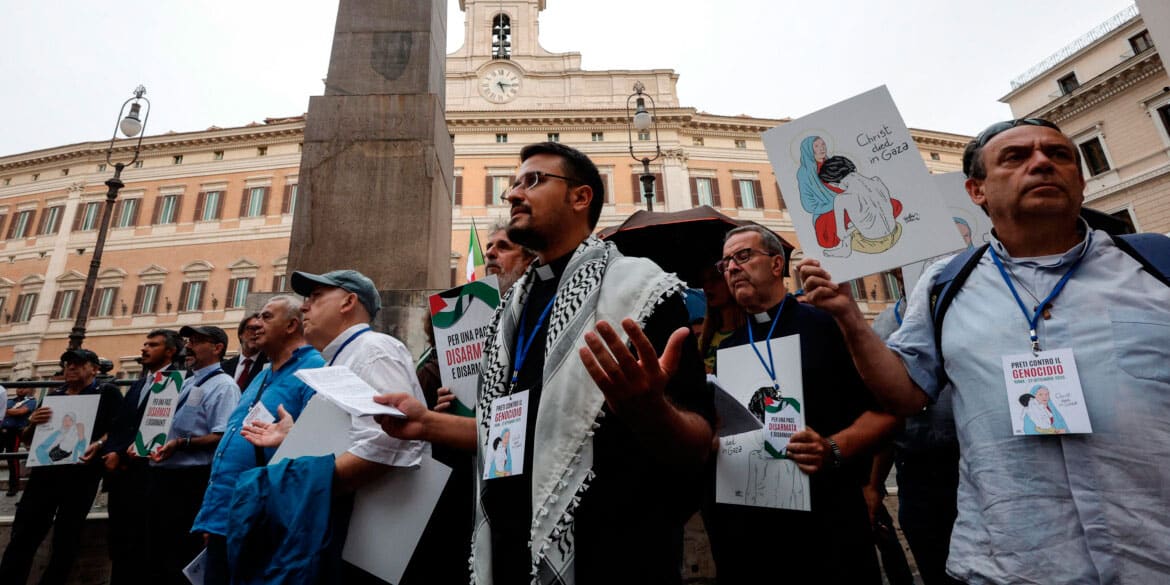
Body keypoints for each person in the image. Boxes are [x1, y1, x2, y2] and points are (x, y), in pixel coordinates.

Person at [799, 117, 1170, 583]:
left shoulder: (1156, 264)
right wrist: (849, 318)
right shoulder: (943, 283)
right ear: (977, 191)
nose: (1042, 163)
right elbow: (905, 394)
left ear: (1081, 181)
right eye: (1016, 157)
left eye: (1058, 155)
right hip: (1012, 564)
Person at [377, 141, 714, 584]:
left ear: (580, 197)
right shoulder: (509, 310)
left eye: (533, 181)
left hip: (609, 557)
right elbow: (511, 432)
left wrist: (651, 409)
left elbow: (700, 441)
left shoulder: (641, 292)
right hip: (511, 552)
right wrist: (424, 423)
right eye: (514, 184)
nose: (514, 193)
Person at [703, 224, 896, 584]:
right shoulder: (728, 348)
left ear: (777, 264)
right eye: (725, 263)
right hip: (756, 526)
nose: (731, 268)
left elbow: (889, 412)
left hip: (829, 517)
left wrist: (831, 447)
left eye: (743, 256)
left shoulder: (829, 325)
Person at [191, 295, 325, 585]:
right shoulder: (262, 376)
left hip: (263, 522)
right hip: (225, 518)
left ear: (291, 325)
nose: (256, 325)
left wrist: (293, 438)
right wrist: (214, 516)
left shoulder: (316, 370)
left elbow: (319, 451)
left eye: (266, 317)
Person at [0, 349, 122, 585]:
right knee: (24, 533)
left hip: (82, 475)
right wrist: (32, 423)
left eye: (78, 363)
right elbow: (27, 440)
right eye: (67, 364)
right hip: (44, 474)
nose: (71, 368)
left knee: (67, 535)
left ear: (94, 369)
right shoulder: (54, 395)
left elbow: (118, 429)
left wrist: (98, 444)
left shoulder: (108, 393)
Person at [143, 326, 239, 584]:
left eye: (196, 341)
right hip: (161, 476)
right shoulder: (184, 382)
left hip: (189, 481)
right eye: (189, 341)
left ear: (217, 348)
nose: (188, 346)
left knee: (180, 554)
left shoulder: (224, 386)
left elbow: (223, 436)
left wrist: (181, 443)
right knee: (156, 551)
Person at [86, 329, 182, 585]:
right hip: (120, 474)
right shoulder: (140, 383)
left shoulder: (173, 382)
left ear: (170, 351)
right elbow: (120, 424)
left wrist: (120, 455)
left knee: (138, 541)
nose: (144, 348)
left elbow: (152, 430)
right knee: (119, 541)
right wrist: (105, 447)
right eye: (145, 344)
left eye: (153, 345)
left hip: (143, 475)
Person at [3, 385, 38, 496]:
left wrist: (5, 411)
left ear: (29, 389)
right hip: (4, 430)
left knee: (12, 458)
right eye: (18, 387)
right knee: (8, 458)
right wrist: (9, 411)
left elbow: (21, 412)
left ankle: (14, 486)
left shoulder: (31, 401)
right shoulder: (10, 400)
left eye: (24, 387)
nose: (20, 389)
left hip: (17, 431)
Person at [484, 222, 536, 293]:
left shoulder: (546, 297)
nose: (489, 252)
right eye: (489, 247)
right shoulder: (473, 297)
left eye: (503, 246)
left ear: (527, 260)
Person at [223, 313, 267, 391]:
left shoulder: (269, 365)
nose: (256, 333)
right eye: (252, 328)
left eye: (260, 329)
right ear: (241, 334)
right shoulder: (224, 367)